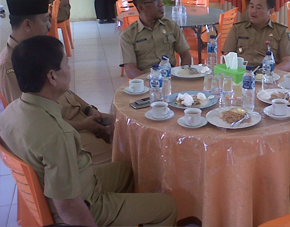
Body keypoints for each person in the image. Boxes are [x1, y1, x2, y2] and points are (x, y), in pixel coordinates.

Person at [0, 35, 177, 226]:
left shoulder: (10, 113)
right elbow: (69, 208)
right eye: (66, 65)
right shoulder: (59, 135)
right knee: (167, 207)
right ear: (52, 77)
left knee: (130, 170)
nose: (70, 69)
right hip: (86, 205)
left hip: (79, 185)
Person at [0, 0, 111, 164]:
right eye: (45, 20)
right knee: (124, 159)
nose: (49, 25)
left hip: (80, 118)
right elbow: (33, 124)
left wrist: (88, 108)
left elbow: (66, 90)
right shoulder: (9, 65)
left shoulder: (37, 48)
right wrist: (85, 126)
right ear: (28, 24)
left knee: (126, 123)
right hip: (67, 133)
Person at [120, 0, 192, 78]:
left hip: (171, 79)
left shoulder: (171, 26)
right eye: (155, 0)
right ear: (141, 7)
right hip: (147, 81)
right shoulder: (128, 35)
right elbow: (130, 69)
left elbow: (185, 55)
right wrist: (153, 83)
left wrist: (182, 75)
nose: (161, 4)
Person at [222, 0, 290, 71]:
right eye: (251, 6)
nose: (253, 11)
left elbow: (287, 63)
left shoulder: (281, 32)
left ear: (270, 12)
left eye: (258, 8)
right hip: (242, 75)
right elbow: (227, 57)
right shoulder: (237, 29)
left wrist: (268, 74)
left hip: (269, 76)